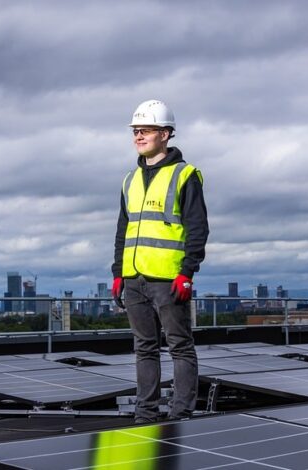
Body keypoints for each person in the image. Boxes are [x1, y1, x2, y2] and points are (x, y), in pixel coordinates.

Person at [111, 99, 209, 424]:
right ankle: (145, 416)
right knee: (144, 349)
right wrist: (117, 273)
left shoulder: (185, 175)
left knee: (180, 346)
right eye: (136, 131)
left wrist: (187, 272)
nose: (139, 136)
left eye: (146, 130)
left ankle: (181, 416)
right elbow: (123, 229)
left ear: (165, 134)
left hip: (169, 280)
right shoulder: (130, 180)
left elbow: (198, 227)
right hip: (134, 278)